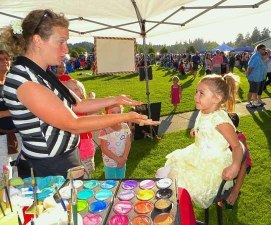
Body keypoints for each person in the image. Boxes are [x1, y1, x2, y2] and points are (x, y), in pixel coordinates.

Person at [0, 9, 158, 178]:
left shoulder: (40, 73)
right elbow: (72, 124)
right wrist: (126, 117)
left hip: (61, 162)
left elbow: (78, 104)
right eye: (61, 41)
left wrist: (116, 99)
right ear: (38, 40)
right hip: (48, 168)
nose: (66, 49)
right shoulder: (25, 80)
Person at [156, 74, 244, 209]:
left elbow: (237, 146)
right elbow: (205, 126)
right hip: (196, 156)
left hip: (211, 168)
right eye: (196, 92)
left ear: (217, 98)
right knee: (163, 175)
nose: (196, 96)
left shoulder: (220, 121)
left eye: (201, 93)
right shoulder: (203, 111)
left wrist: (235, 165)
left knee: (173, 185)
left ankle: (181, 215)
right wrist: (197, 130)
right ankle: (178, 212)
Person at [64, 79, 96, 178]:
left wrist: (92, 100)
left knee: (86, 174)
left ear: (81, 93)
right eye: (69, 89)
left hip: (84, 145)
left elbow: (94, 117)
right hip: (69, 147)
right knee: (73, 174)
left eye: (76, 89)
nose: (72, 91)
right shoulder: (63, 107)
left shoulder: (83, 106)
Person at [0, 50, 22, 176]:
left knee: (17, 171)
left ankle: (14, 195)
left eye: (7, 58)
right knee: (3, 173)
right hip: (1, 136)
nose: (5, 61)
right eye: (0, 59)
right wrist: (9, 112)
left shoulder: (13, 84)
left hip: (18, 134)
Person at [226, 112, 252, 206]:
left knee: (232, 172)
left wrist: (236, 190)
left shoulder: (239, 138)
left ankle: (234, 190)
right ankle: (230, 188)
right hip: (233, 161)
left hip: (243, 165)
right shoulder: (226, 135)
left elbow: (243, 163)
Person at [99, 105, 131, 179]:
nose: (116, 115)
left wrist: (124, 158)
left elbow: (128, 143)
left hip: (122, 160)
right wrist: (118, 160)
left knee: (121, 180)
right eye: (113, 112)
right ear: (106, 114)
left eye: (118, 112)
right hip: (110, 162)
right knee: (111, 183)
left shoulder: (125, 126)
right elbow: (104, 148)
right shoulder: (104, 130)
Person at [246, 44, 266, 108]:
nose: (265, 51)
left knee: (255, 90)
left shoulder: (259, 56)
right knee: (252, 90)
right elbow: (250, 67)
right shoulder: (256, 57)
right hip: (253, 77)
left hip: (257, 77)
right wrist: (248, 75)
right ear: (259, 49)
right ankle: (248, 103)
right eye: (263, 49)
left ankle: (255, 102)